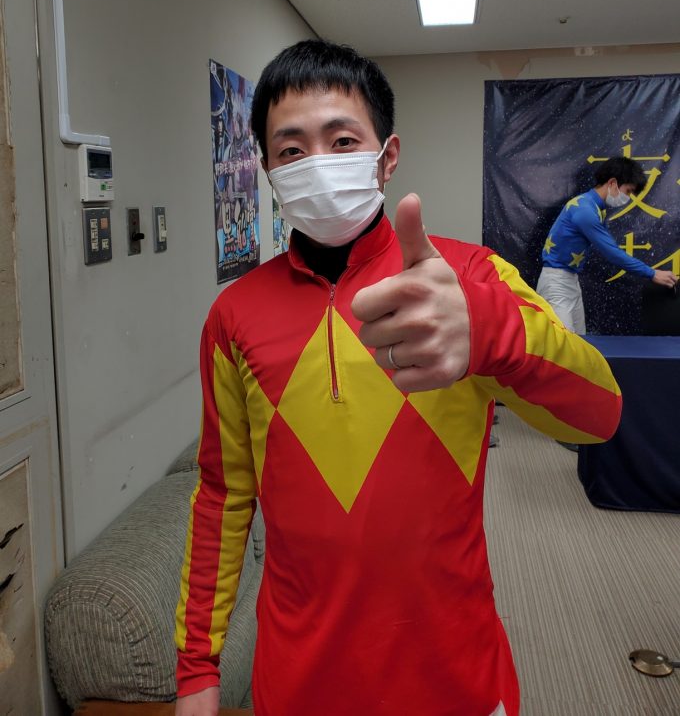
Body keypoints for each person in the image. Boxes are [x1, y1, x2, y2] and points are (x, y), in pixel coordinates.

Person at [174, 40, 622, 716]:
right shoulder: (232, 316)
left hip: (456, 673)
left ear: (386, 157)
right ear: (266, 170)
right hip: (298, 680)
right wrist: (196, 670)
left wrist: (490, 329)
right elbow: (221, 494)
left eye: (342, 140)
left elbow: (599, 415)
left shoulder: (468, 279)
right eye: (291, 150)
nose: (316, 163)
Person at [536, 156, 678, 335]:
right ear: (612, 183)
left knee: (580, 342)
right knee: (564, 346)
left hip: (570, 281)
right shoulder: (585, 211)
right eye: (628, 191)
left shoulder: (595, 207)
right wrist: (652, 273)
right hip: (556, 283)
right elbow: (612, 253)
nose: (628, 198)